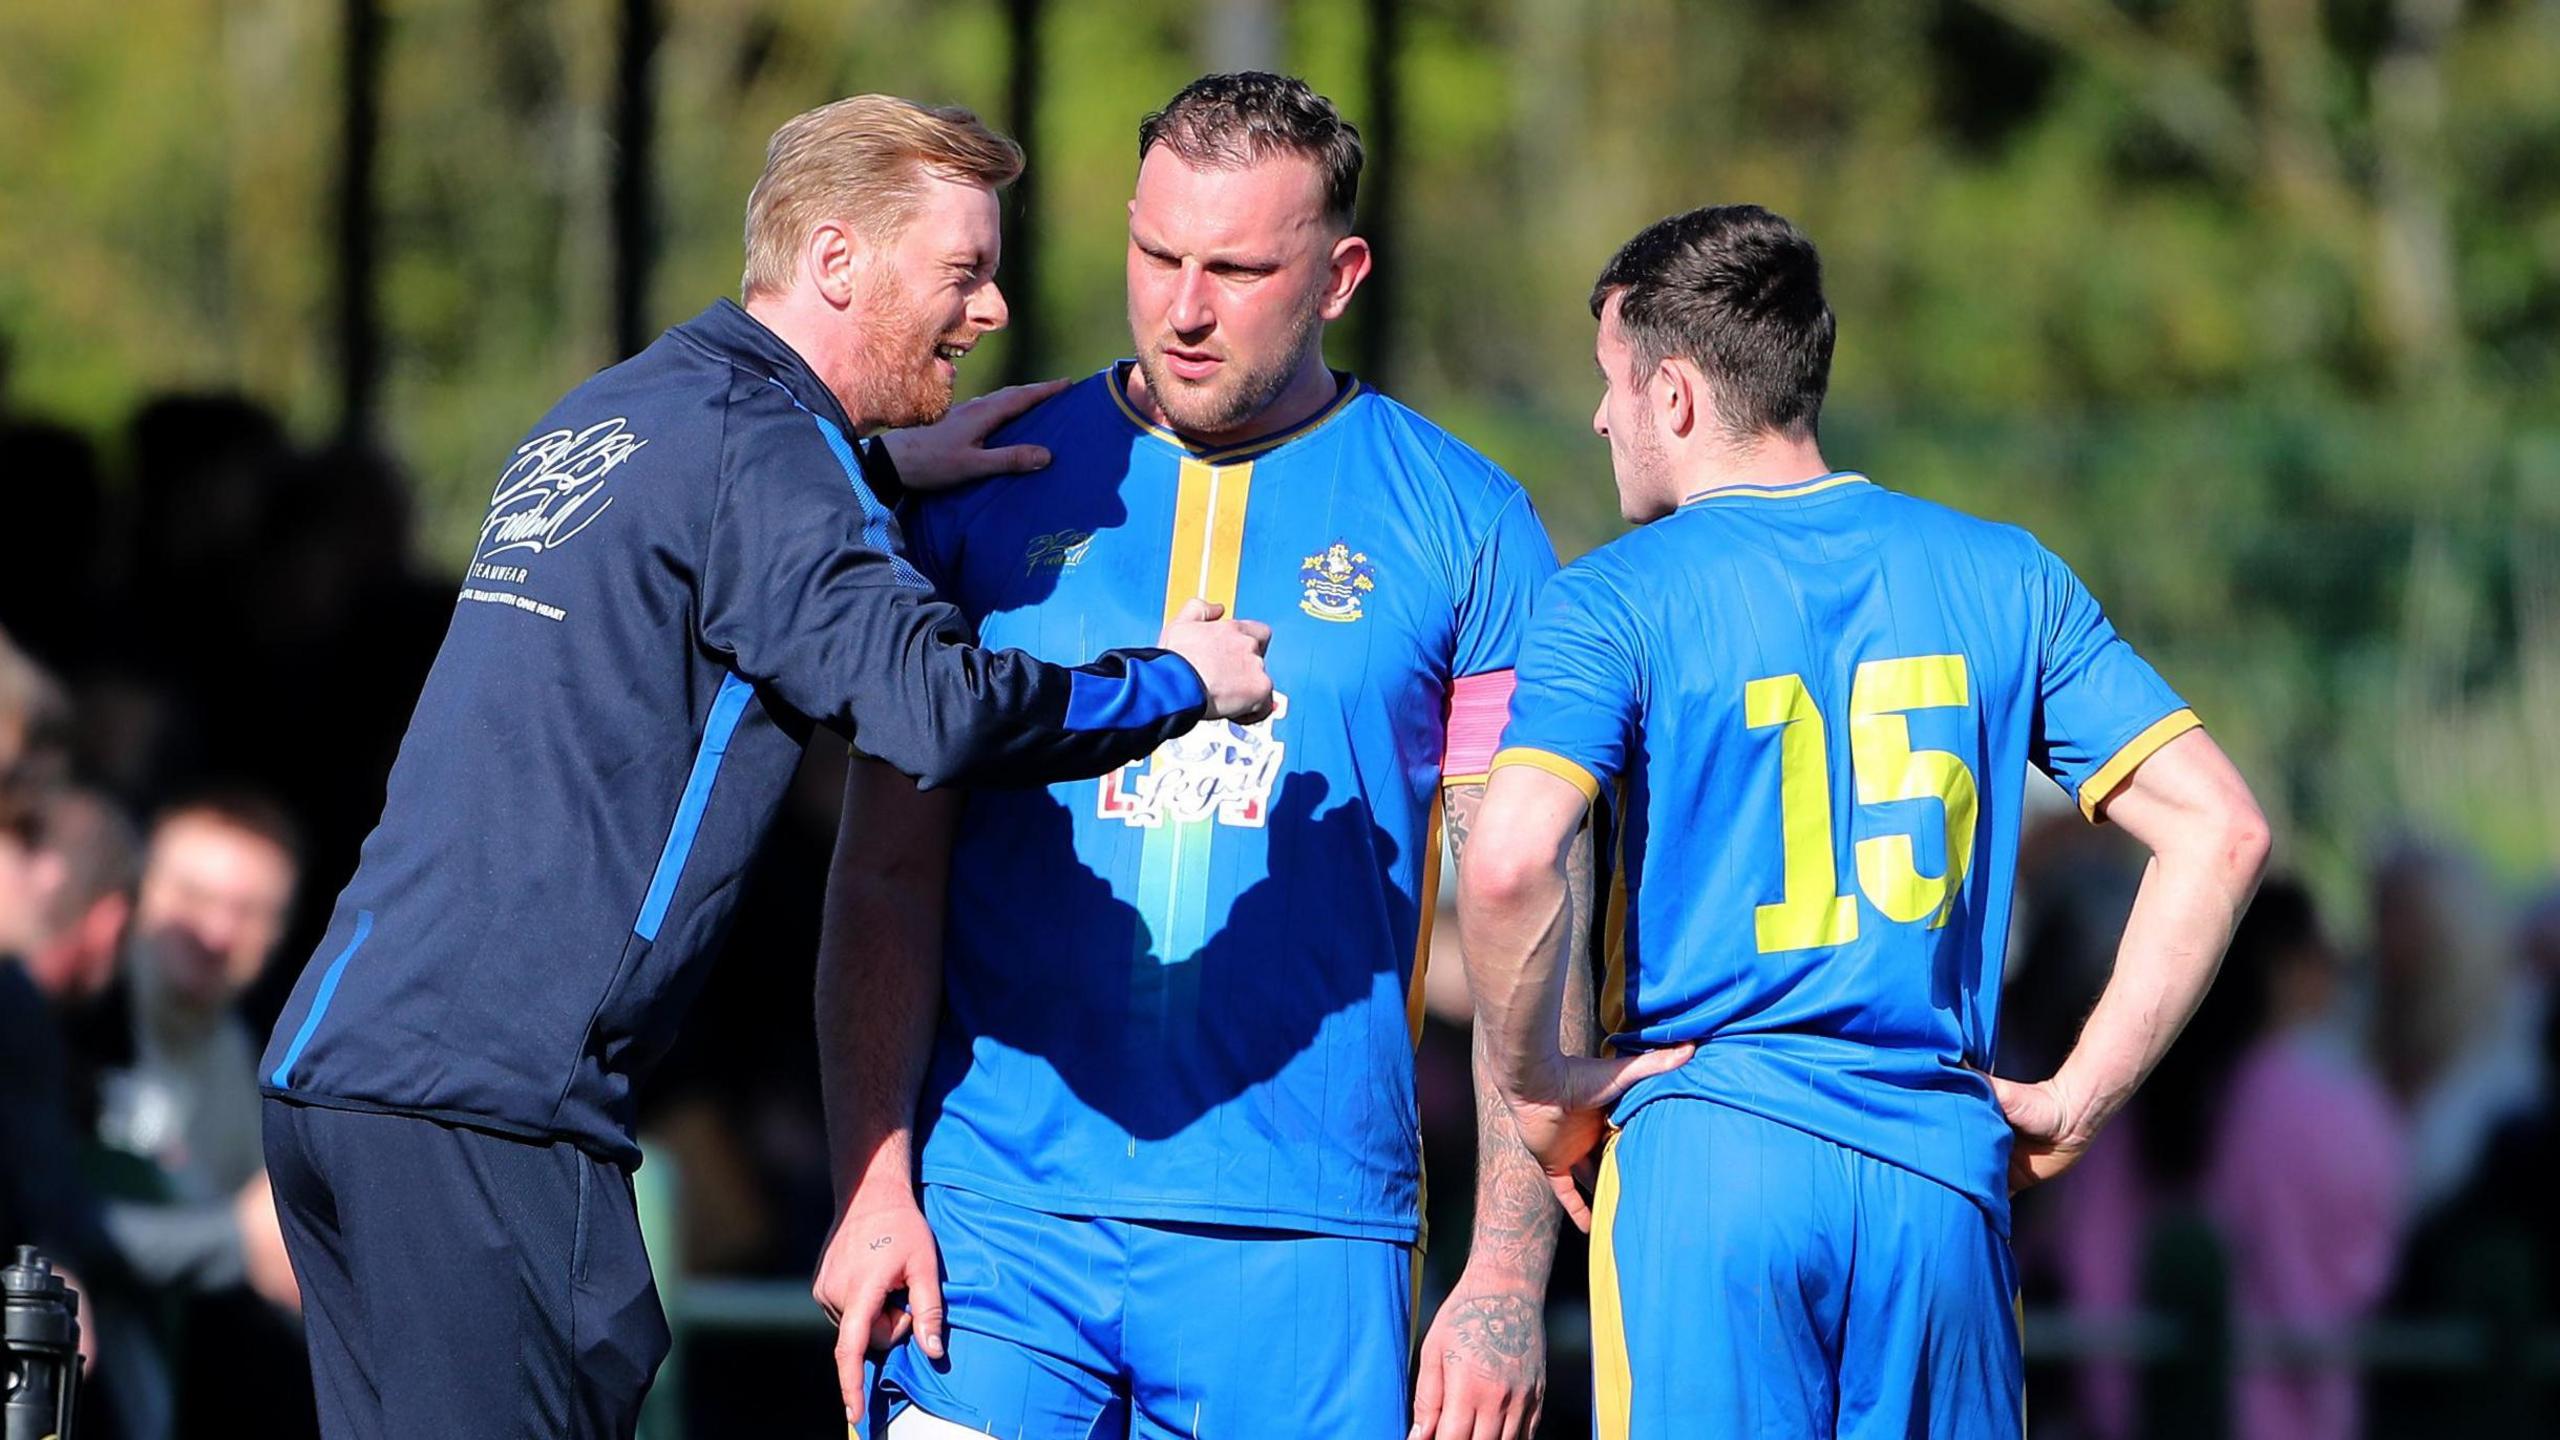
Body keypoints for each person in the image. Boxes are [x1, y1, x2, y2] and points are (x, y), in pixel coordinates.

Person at [256, 95, 1275, 1440]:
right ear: (840, 264)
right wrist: (1176, 682)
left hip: (337, 1078)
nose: (992, 313)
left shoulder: (632, 403)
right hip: (486, 1111)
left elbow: (720, 521)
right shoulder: (770, 459)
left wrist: (882, 470)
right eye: (963, 274)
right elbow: (937, 711)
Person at [816, 73, 1573, 1440]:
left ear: (1339, 276)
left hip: (1305, 1248)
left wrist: (1508, 1269)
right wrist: (872, 1183)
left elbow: (1527, 917)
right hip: (995, 1236)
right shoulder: (991, 480)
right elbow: (883, 870)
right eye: (1156, 255)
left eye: (1236, 267)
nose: (1183, 306)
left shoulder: (1467, 525)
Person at [1456, 204, 2270, 1438]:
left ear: (1673, 396)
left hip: (1709, 1154)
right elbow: (2221, 830)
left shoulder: (1608, 598)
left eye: (1609, 384)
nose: (1598, 418)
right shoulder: (2008, 574)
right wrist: (2074, 1098)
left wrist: (1538, 1082)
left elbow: (1510, 858)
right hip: (1936, 1171)